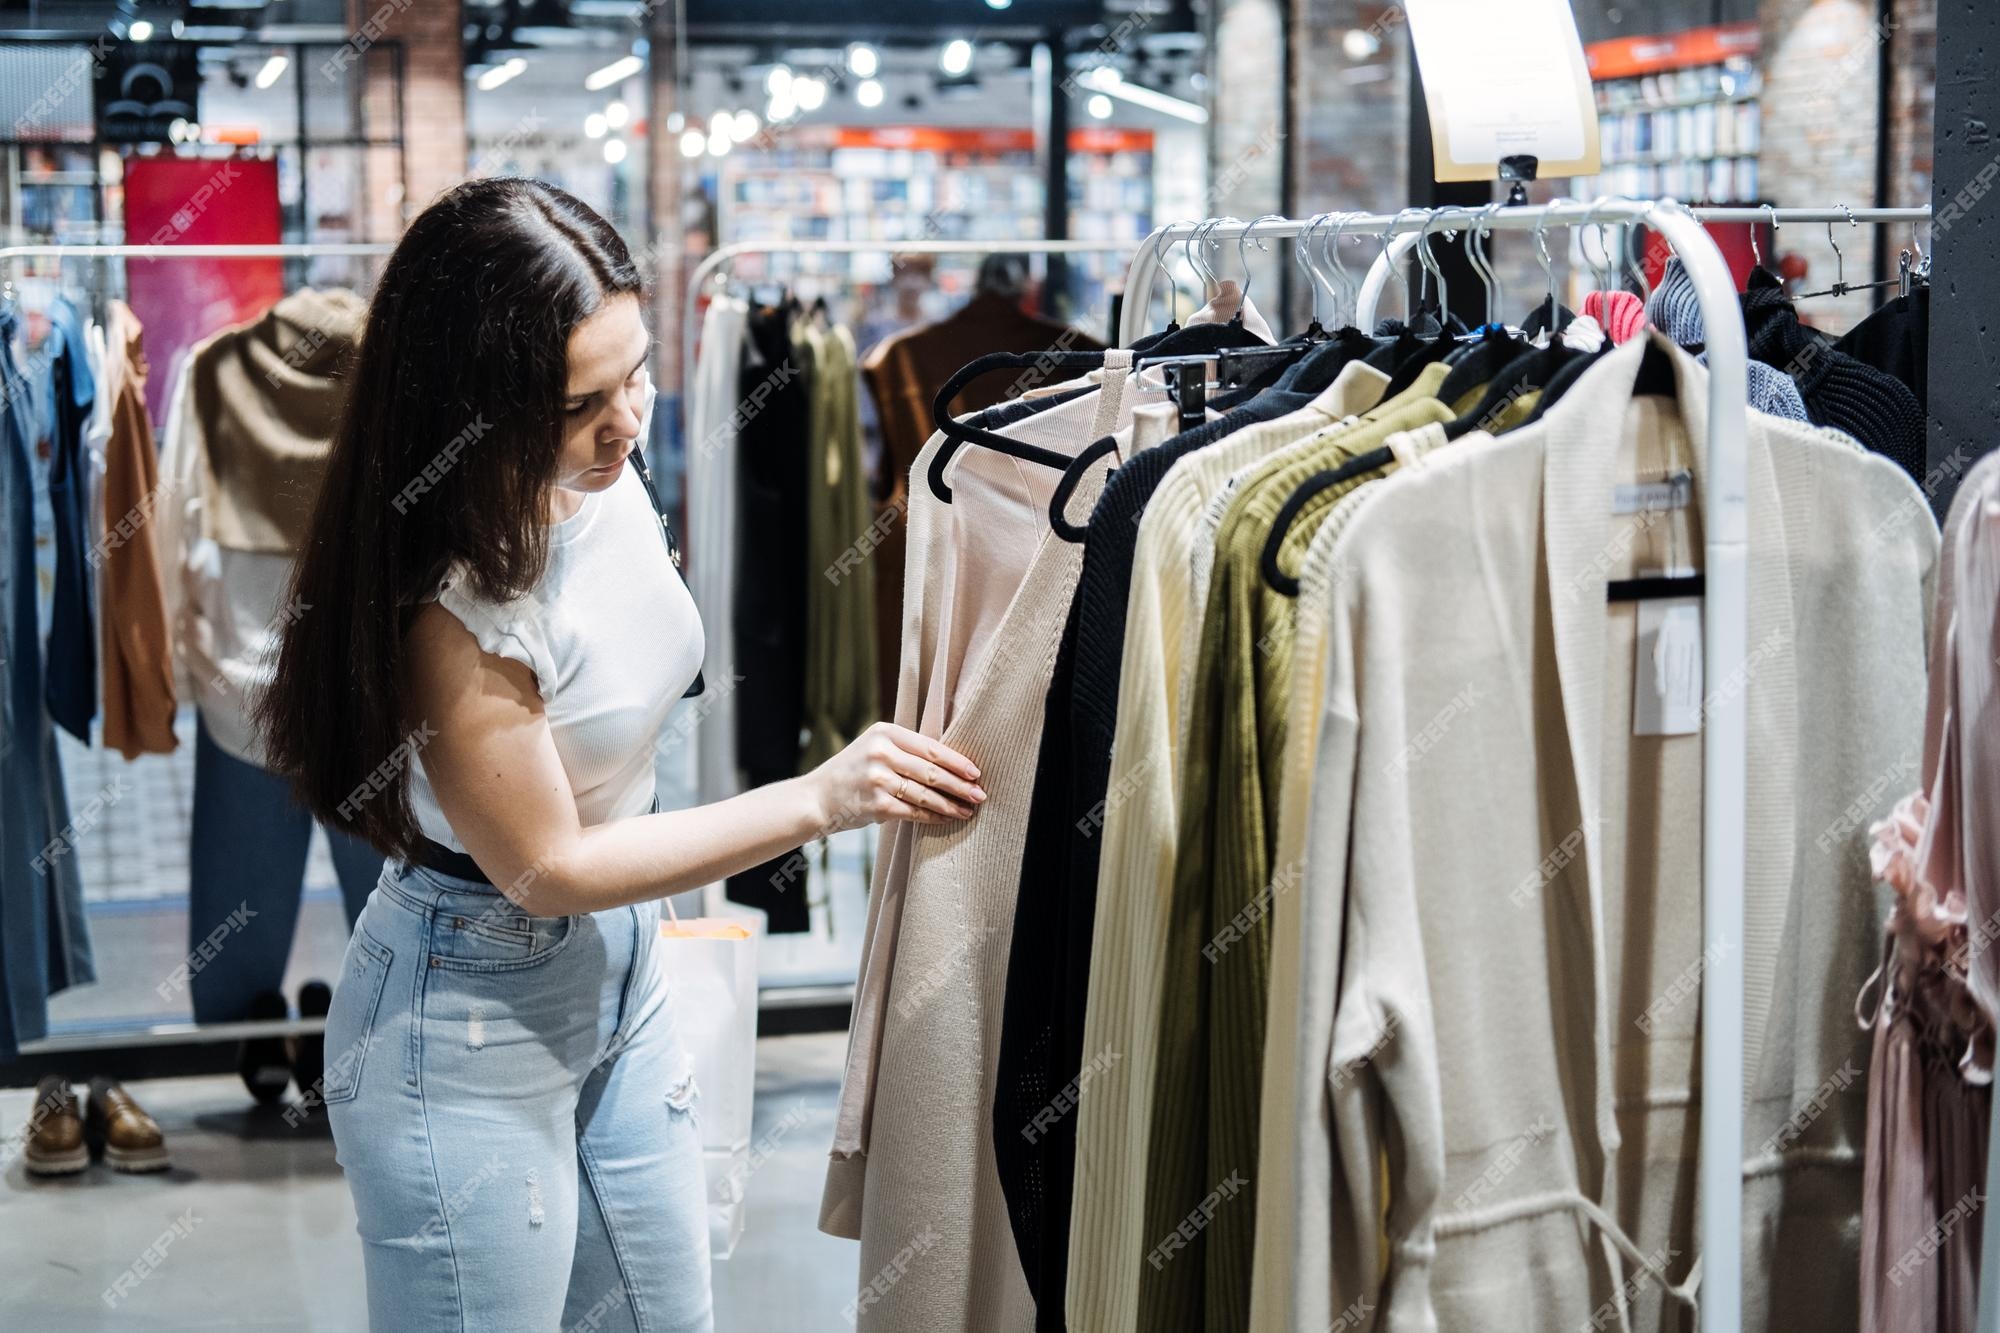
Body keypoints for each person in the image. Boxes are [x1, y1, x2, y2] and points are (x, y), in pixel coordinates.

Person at [255, 177, 984, 1333]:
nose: (628, 420)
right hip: (463, 1013)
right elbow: (545, 866)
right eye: (579, 400)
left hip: (626, 977)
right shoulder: (450, 600)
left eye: (636, 371)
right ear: (471, 407)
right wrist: (821, 796)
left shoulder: (602, 474)